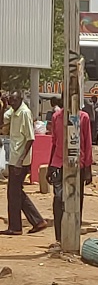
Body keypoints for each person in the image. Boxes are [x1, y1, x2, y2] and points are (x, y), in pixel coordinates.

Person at [0, 92, 47, 235]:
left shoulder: (25, 113)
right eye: (10, 101)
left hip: (21, 159)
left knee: (14, 192)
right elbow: (2, 122)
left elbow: (30, 138)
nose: (12, 103)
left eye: (14, 100)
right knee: (15, 192)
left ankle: (18, 226)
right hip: (14, 157)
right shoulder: (13, 112)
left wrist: (21, 160)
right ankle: (35, 221)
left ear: (20, 99)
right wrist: (4, 106)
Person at [47, 106, 93, 250]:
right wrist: (50, 165)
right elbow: (54, 142)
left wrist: (88, 168)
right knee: (58, 199)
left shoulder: (83, 118)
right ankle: (59, 238)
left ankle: (73, 236)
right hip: (59, 164)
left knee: (76, 202)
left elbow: (87, 142)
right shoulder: (56, 117)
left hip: (77, 165)